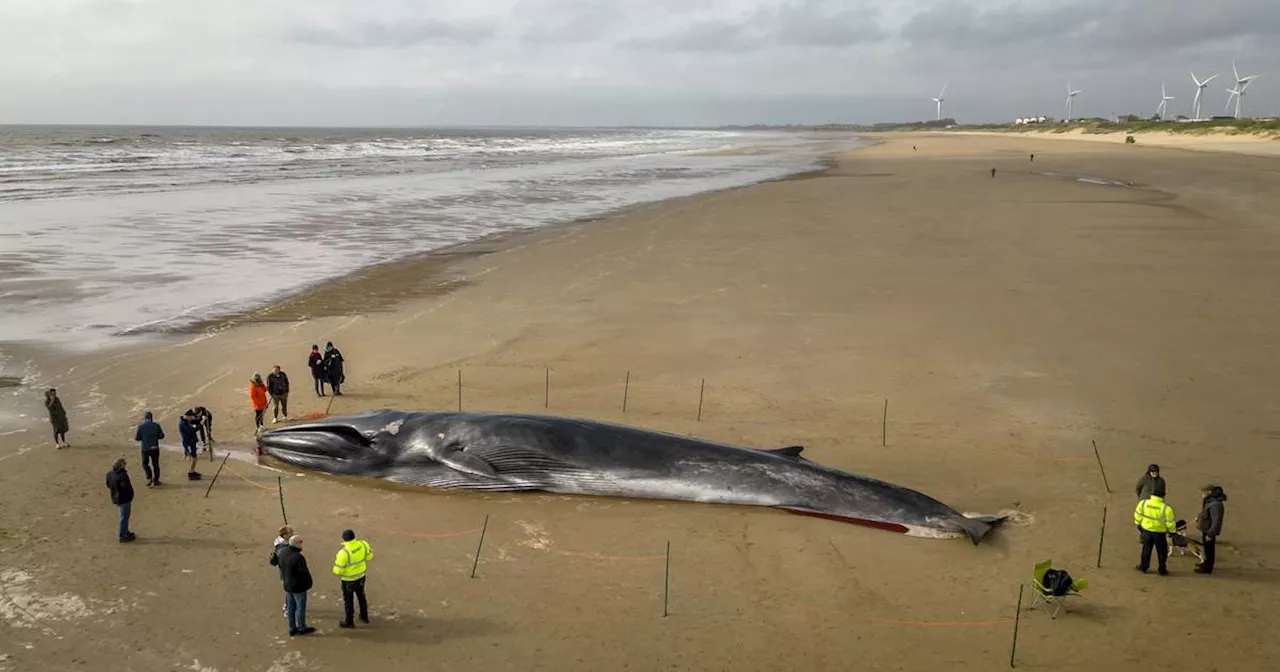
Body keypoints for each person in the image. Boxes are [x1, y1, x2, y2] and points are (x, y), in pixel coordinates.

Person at [275, 535, 317, 636]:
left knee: (290, 607)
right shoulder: (298, 557)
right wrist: (308, 583)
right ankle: (302, 627)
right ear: (297, 544)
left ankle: (292, 628)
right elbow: (303, 573)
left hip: (287, 584)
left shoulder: (283, 552)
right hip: (298, 587)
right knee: (300, 607)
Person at [1134, 481, 1176, 575]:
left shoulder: (1144, 503)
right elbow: (1170, 523)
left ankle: (1144, 567)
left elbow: (1138, 514)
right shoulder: (1166, 508)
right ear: (1163, 496)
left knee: (1146, 550)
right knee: (1162, 552)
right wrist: (1172, 532)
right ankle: (1162, 569)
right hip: (1159, 533)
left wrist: (1138, 524)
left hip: (1146, 530)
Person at [333, 528, 373, 628]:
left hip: (348, 580)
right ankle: (364, 616)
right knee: (361, 596)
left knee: (348, 601)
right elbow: (369, 557)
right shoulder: (363, 544)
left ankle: (349, 621)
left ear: (344, 539)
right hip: (361, 576)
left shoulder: (343, 553)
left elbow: (337, 571)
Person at [1195, 484, 1227, 575]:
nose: (1203, 494)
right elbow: (1205, 512)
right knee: (1206, 548)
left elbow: (1216, 521)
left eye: (1204, 492)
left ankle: (1207, 568)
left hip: (1209, 531)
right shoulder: (1210, 501)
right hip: (1206, 528)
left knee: (1209, 550)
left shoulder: (1215, 504)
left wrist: (1211, 534)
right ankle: (1205, 564)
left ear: (1209, 492)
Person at [105, 457, 136, 543]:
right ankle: (123, 535)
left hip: (116, 498)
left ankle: (125, 531)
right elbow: (126, 487)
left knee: (124, 516)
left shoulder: (109, 474)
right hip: (124, 499)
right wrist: (130, 495)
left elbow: (108, 485)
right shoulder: (122, 475)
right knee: (124, 517)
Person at [269, 525, 295, 617]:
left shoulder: (280, 543)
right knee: (290, 591)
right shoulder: (283, 547)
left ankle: (288, 606)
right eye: (290, 533)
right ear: (284, 535)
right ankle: (288, 609)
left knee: (289, 590)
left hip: (284, 570)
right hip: (286, 571)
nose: (292, 534)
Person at [134, 411, 165, 487]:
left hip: (145, 448)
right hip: (155, 447)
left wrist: (144, 438)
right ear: (152, 417)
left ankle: (149, 477)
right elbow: (162, 436)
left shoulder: (141, 427)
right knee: (155, 464)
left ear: (145, 418)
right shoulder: (156, 425)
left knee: (145, 464)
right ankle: (156, 480)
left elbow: (137, 438)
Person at [178, 410, 203, 480]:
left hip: (191, 442)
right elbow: (192, 430)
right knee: (193, 458)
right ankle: (191, 472)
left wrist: (201, 418)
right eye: (191, 417)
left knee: (194, 458)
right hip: (188, 443)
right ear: (188, 416)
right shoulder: (183, 424)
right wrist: (201, 424)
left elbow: (195, 421)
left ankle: (192, 471)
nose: (192, 418)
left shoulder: (186, 421)